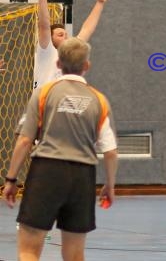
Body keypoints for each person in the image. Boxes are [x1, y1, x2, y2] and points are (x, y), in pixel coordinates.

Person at [2, 37, 118, 261]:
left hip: (47, 171)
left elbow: (25, 140)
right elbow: (110, 151)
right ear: (87, 66)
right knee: (74, 255)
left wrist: (11, 179)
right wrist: (110, 185)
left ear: (57, 64)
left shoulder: (44, 94)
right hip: (83, 177)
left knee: (28, 250)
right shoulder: (99, 100)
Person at [34, 0, 111, 90]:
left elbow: (86, 29)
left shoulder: (70, 54)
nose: (65, 37)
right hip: (46, 104)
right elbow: (44, 26)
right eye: (60, 35)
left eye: (65, 34)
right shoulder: (47, 52)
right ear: (50, 39)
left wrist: (100, 3)